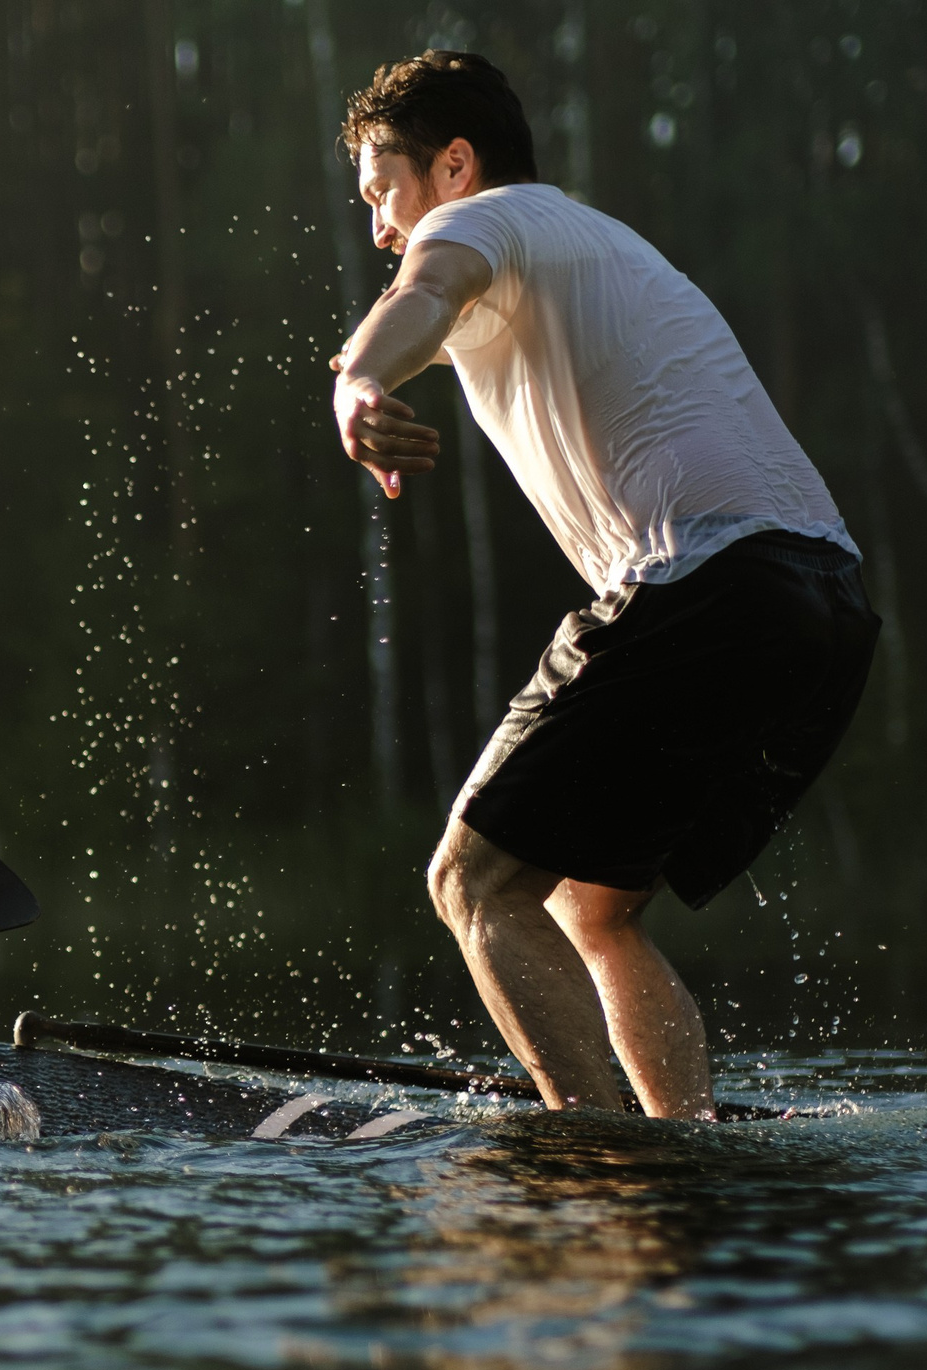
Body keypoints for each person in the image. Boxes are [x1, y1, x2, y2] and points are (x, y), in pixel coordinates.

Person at [326, 52, 878, 1119]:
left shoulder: (477, 224)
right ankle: (675, 1138)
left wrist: (358, 380)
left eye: (380, 193)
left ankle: (594, 1148)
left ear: (453, 164)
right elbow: (425, 313)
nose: (379, 229)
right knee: (591, 910)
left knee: (472, 883)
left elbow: (424, 288)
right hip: (825, 600)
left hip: (711, 577)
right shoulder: (585, 242)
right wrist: (371, 359)